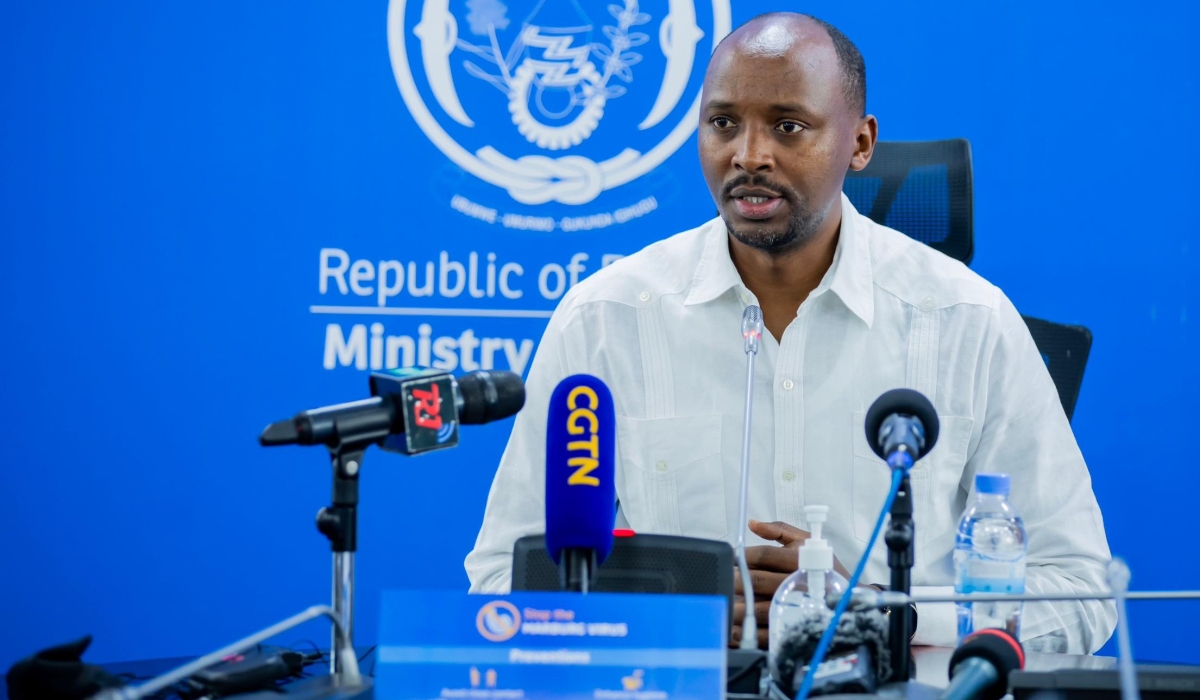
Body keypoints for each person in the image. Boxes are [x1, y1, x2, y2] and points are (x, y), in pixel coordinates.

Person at [465, 11, 1116, 653]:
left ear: (860, 144)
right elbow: (502, 578)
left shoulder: (969, 321)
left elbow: (1080, 591)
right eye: (723, 123)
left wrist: (891, 617)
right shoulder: (606, 319)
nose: (749, 156)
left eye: (788, 126)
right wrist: (672, 618)